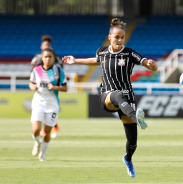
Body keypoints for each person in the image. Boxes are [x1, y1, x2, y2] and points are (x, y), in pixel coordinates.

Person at [62, 18, 158, 177]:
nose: (120, 40)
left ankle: (127, 158)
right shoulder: (102, 51)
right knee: (117, 94)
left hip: (127, 99)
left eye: (122, 37)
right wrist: (75, 61)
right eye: (117, 37)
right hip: (107, 96)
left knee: (132, 141)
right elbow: (95, 60)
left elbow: (148, 64)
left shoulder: (129, 53)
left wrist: (153, 65)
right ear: (110, 37)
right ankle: (137, 117)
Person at [29, 47, 67, 161]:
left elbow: (65, 88)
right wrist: (33, 87)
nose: (48, 59)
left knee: (46, 133)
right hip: (38, 102)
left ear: (53, 58)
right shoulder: (37, 70)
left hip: (52, 104)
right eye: (45, 57)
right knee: (36, 130)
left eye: (50, 57)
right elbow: (31, 83)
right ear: (42, 58)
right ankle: (37, 142)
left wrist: (55, 87)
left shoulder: (59, 71)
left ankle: (43, 154)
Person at [31, 35, 63, 138]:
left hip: (52, 87)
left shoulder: (56, 57)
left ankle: (53, 127)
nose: (46, 47)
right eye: (44, 45)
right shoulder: (37, 57)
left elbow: (61, 69)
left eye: (48, 45)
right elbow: (32, 68)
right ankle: (43, 129)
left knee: (51, 108)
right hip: (40, 85)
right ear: (41, 47)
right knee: (40, 110)